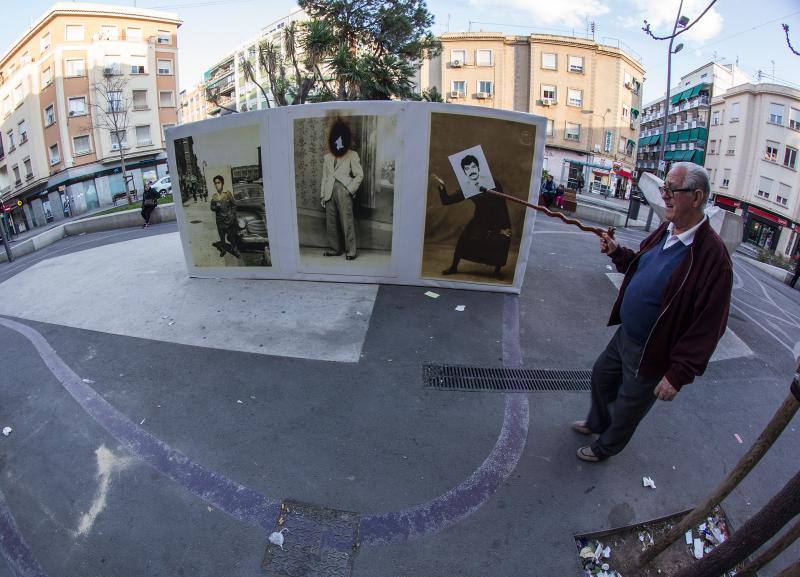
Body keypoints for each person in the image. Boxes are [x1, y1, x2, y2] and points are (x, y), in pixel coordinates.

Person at [573, 162, 733, 462]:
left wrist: (678, 374)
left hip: (653, 350)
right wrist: (617, 252)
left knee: (628, 406)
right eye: (664, 188)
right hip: (626, 335)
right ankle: (597, 423)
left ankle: (605, 447)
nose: (664, 195)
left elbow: (710, 325)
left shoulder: (713, 257)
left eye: (672, 189)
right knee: (601, 377)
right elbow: (641, 266)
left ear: (697, 197)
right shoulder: (666, 230)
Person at [433, 154, 512, 279]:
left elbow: (502, 206)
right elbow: (446, 201)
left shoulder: (494, 183)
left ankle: (497, 271)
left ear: (479, 168)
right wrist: (442, 186)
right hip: (479, 220)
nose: (471, 170)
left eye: (473, 166)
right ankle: (454, 267)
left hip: (498, 220)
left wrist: (505, 227)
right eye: (467, 168)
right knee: (463, 241)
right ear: (464, 172)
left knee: (500, 243)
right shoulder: (468, 187)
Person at [320, 119, 363, 261]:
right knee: (331, 223)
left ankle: (351, 251)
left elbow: (359, 175)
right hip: (329, 191)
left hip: (344, 190)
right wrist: (323, 195)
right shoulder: (327, 157)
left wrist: (350, 189)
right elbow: (325, 177)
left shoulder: (352, 155)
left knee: (347, 222)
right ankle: (335, 249)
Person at [209, 174, 240, 259]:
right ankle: (223, 250)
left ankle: (235, 250)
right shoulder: (214, 196)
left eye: (218, 182)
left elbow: (234, 205)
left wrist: (232, 216)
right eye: (215, 183)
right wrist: (216, 207)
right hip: (219, 221)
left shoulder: (227, 193)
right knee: (222, 237)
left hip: (228, 220)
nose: (217, 185)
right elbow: (212, 208)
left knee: (232, 238)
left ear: (222, 183)